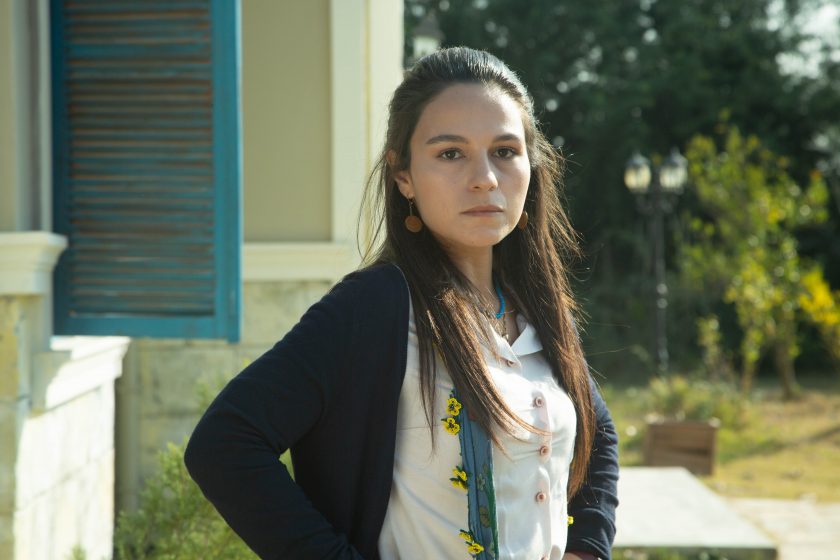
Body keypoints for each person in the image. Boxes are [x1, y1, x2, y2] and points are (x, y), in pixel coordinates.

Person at [185, 46, 618, 560]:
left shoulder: (538, 310)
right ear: (403, 175)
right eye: (450, 153)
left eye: (505, 151)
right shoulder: (376, 308)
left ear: (532, 165)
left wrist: (586, 547)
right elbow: (225, 443)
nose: (485, 177)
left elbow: (599, 436)